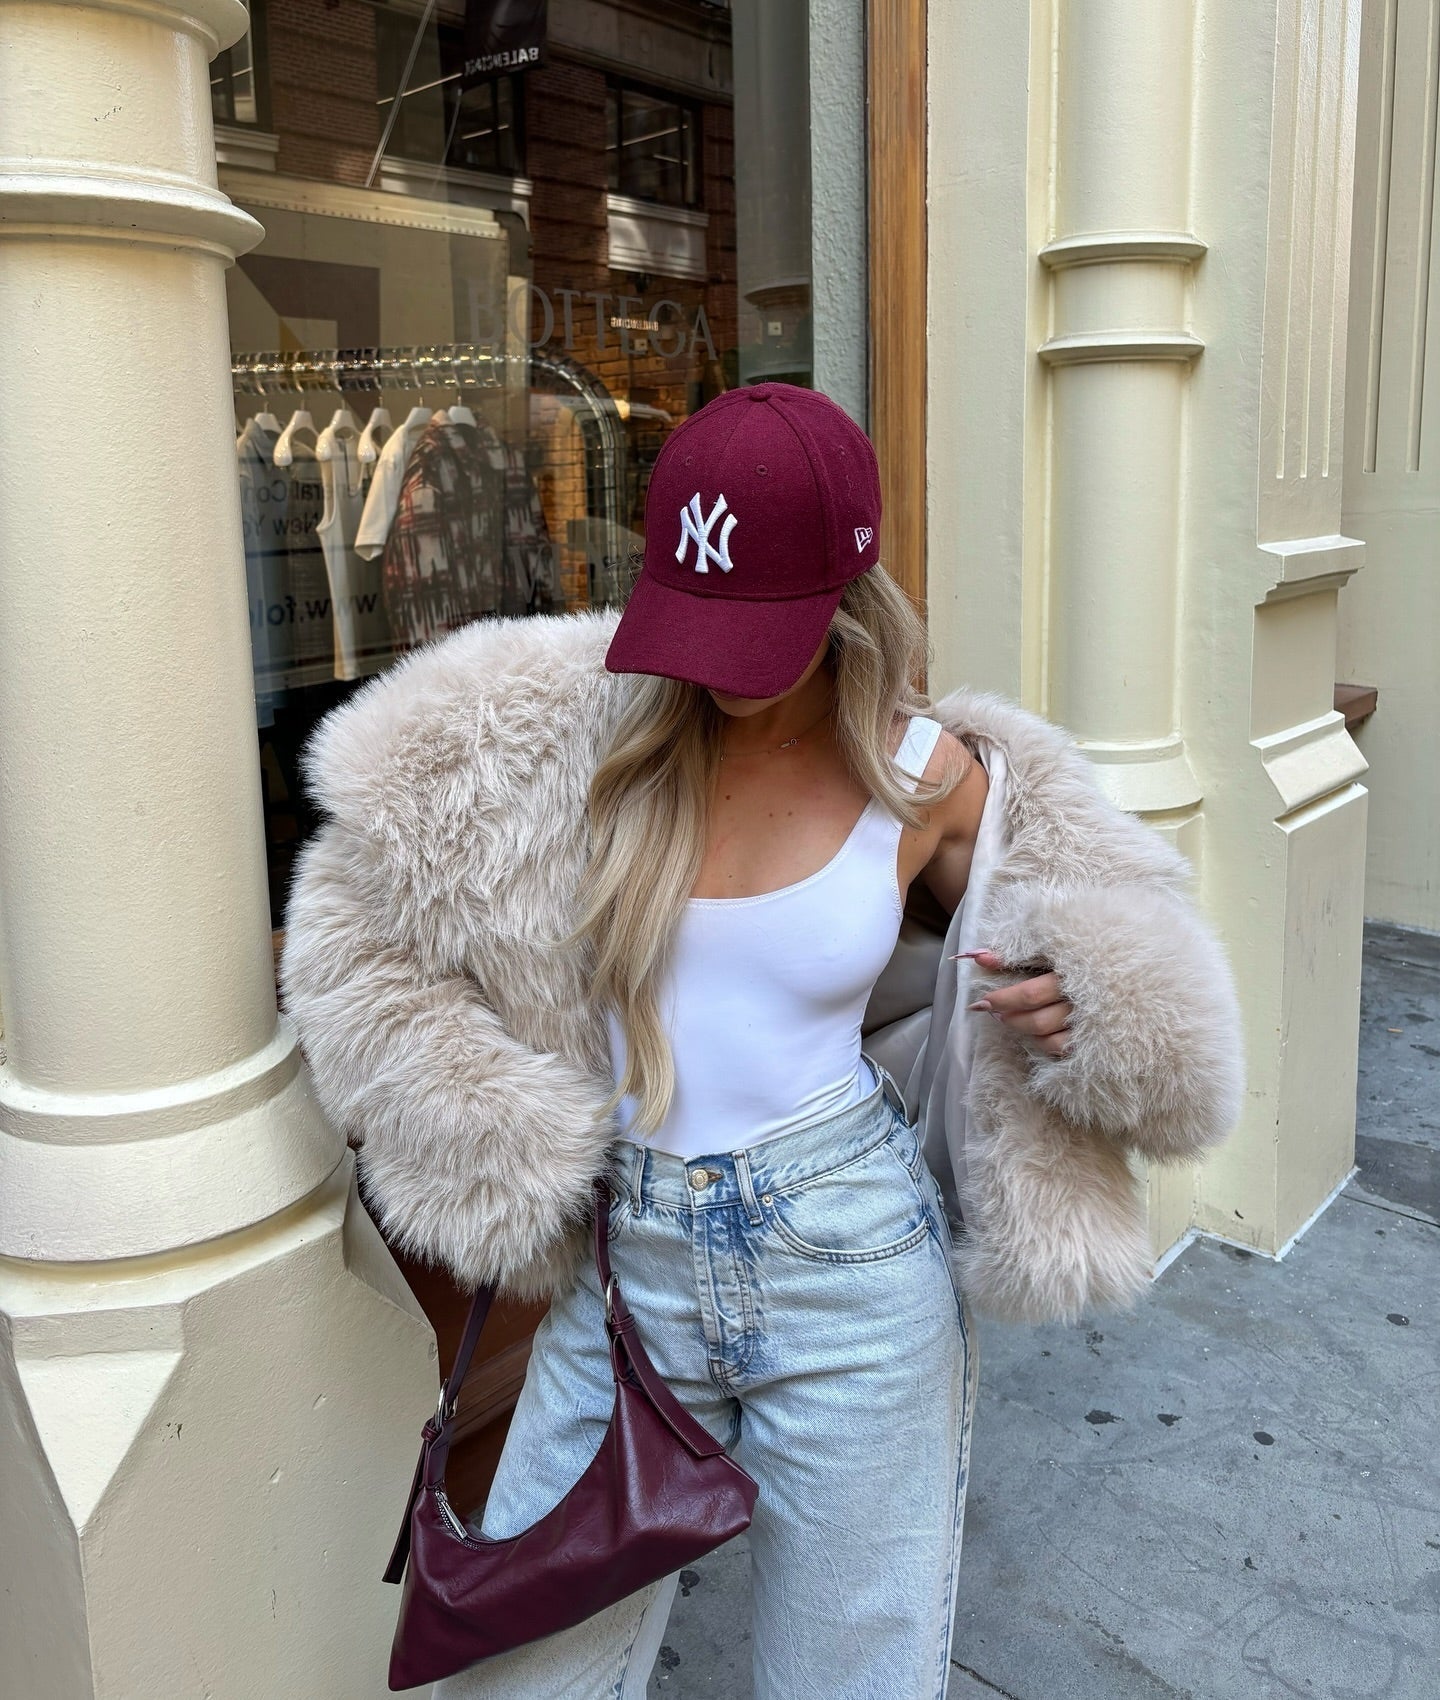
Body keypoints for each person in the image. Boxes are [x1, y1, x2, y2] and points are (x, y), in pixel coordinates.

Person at [281, 384, 1244, 1699]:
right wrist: (480, 1122)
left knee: (847, 1677)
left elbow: (1093, 936)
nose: (724, 672)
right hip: (630, 1265)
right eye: (701, 620)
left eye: (760, 631)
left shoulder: (929, 774)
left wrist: (1087, 1002)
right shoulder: (587, 746)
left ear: (849, 596)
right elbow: (358, 933)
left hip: (850, 1262)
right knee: (520, 1675)